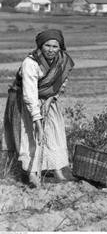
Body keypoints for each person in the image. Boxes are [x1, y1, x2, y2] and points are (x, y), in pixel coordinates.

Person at [2, 29, 74, 187]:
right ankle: (32, 174)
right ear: (40, 46)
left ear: (60, 47)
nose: (51, 50)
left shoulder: (62, 60)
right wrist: (37, 120)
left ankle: (57, 170)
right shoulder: (30, 63)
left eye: (55, 46)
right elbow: (30, 93)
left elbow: (61, 83)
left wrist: (51, 99)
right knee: (31, 136)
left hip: (49, 101)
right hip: (27, 103)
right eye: (47, 45)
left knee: (54, 134)